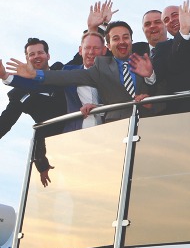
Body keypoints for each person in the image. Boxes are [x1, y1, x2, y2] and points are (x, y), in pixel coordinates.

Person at [5, 24, 157, 124]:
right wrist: (35, 74)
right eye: (115, 38)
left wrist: (150, 76)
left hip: (150, 124)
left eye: (126, 37)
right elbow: (65, 77)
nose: (121, 42)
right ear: (109, 46)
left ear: (132, 40)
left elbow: (163, 88)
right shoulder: (100, 68)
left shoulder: (147, 60)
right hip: (114, 130)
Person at [0, 38, 67, 186]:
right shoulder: (19, 93)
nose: (36, 56)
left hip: (81, 131)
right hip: (55, 149)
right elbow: (4, 122)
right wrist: (42, 164)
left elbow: (84, 57)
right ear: (27, 59)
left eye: (40, 52)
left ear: (48, 55)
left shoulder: (61, 70)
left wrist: (96, 28)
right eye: (32, 54)